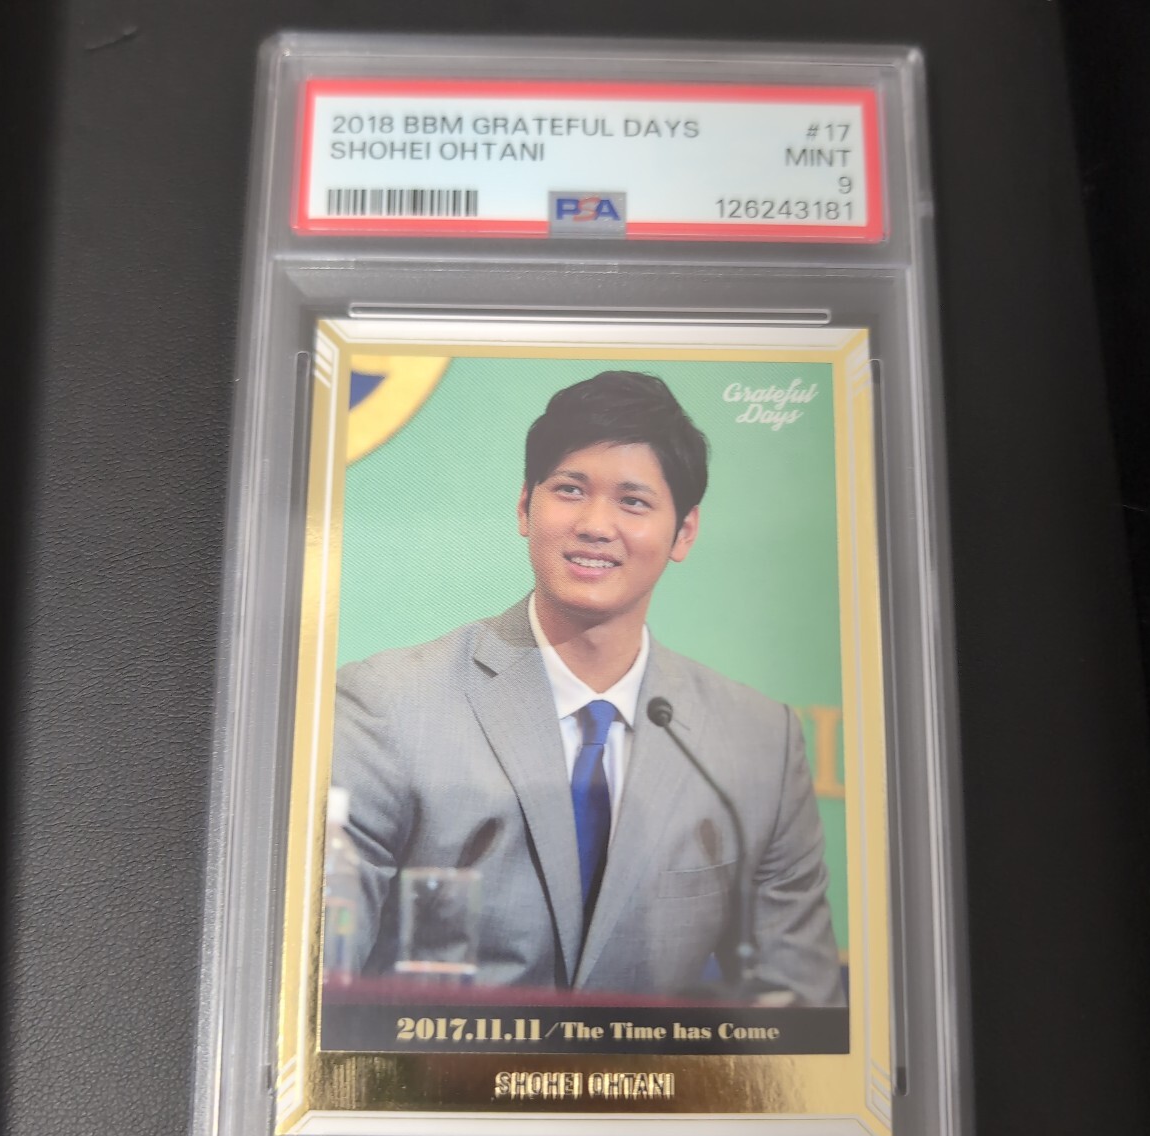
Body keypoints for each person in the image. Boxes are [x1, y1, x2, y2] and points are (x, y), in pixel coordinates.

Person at [330, 370, 844, 1003]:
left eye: (633, 502)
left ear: (684, 532)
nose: (596, 525)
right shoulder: (387, 707)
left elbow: (798, 1005)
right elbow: (323, 980)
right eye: (570, 490)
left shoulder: (758, 742)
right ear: (525, 508)